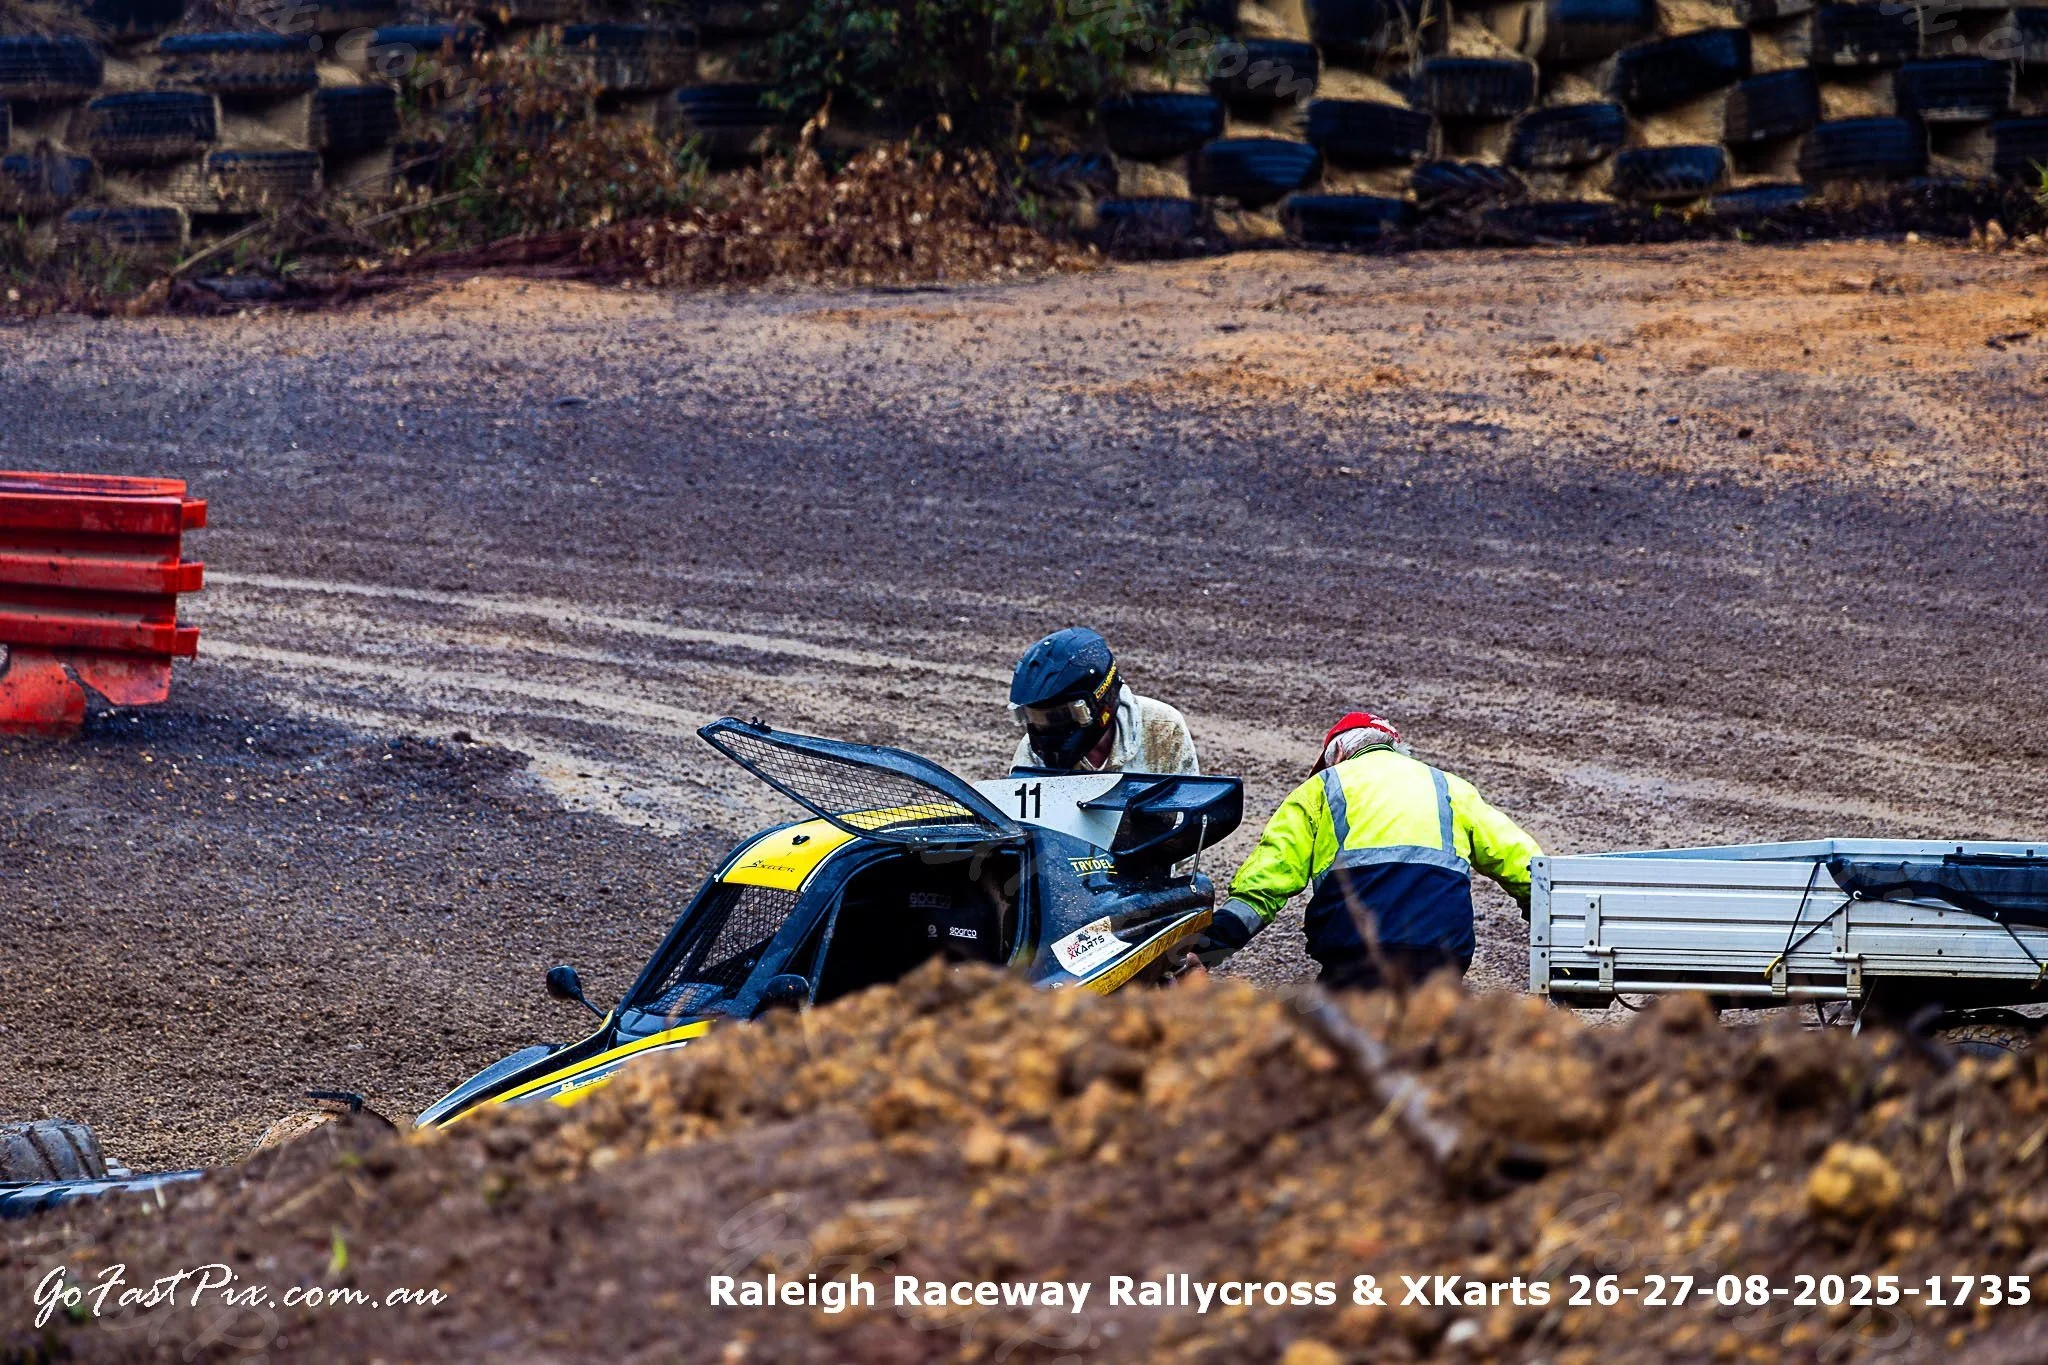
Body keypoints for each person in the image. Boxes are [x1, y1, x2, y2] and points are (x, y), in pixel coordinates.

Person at [1190, 710, 1540, 990]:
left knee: (1331, 1059)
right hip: (1442, 953)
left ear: (1338, 753)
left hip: (1357, 955)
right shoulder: (1450, 787)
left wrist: (1206, 950)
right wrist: (1554, 929)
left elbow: (1264, 887)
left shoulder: (1320, 789)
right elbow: (1524, 865)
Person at [1008, 627, 1199, 775]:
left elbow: (1188, 812)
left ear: (1099, 703)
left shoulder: (1162, 727)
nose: (1046, 729)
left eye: (1058, 716)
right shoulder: (1032, 752)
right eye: (1036, 718)